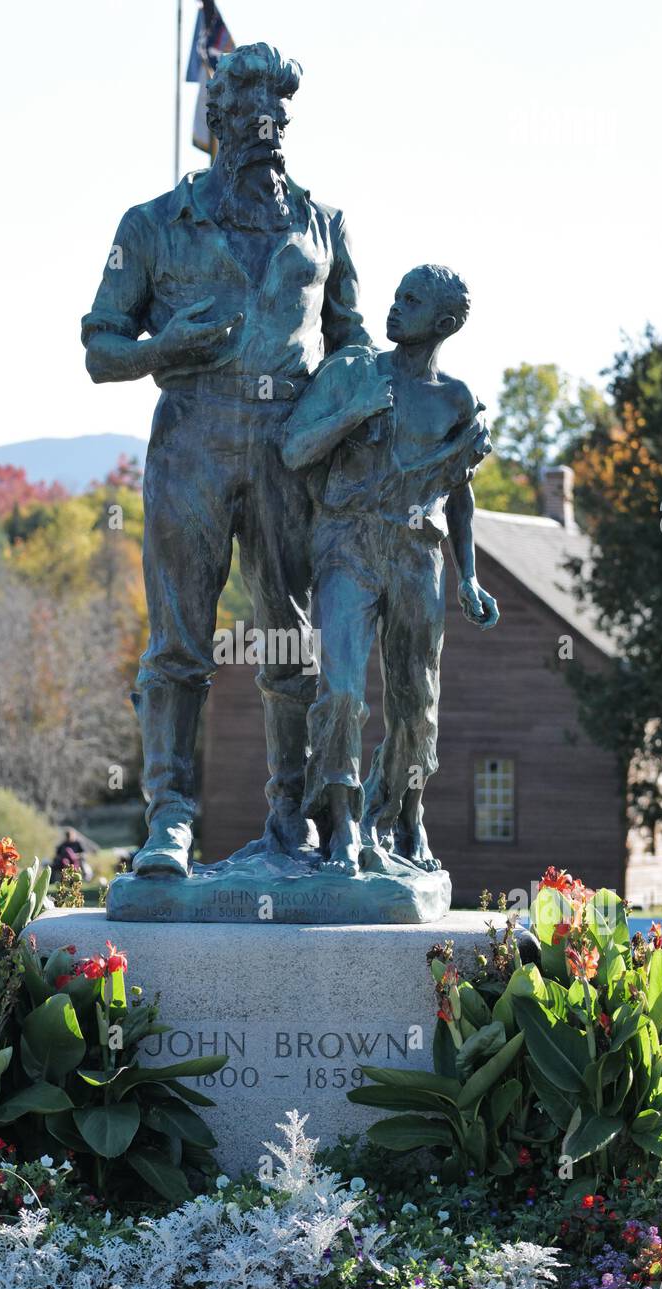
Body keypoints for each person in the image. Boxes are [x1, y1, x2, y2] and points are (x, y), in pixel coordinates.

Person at [81, 42, 370, 876]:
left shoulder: (323, 225)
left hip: (290, 453)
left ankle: (292, 815)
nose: (268, 130)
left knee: (291, 643)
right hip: (192, 445)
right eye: (251, 115)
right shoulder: (152, 226)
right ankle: (169, 819)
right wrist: (160, 346)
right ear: (218, 126)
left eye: (279, 116)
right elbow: (101, 345)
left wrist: (364, 399)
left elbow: (353, 343)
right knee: (178, 643)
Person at [281, 264, 499, 875]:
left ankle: (403, 812)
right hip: (347, 543)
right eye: (398, 294)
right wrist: (351, 414)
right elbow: (293, 448)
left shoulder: (455, 401)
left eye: (413, 301)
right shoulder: (353, 370)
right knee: (343, 689)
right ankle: (343, 821)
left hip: (416, 556)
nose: (396, 307)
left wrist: (470, 576)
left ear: (444, 324)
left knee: (416, 700)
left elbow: (459, 493)